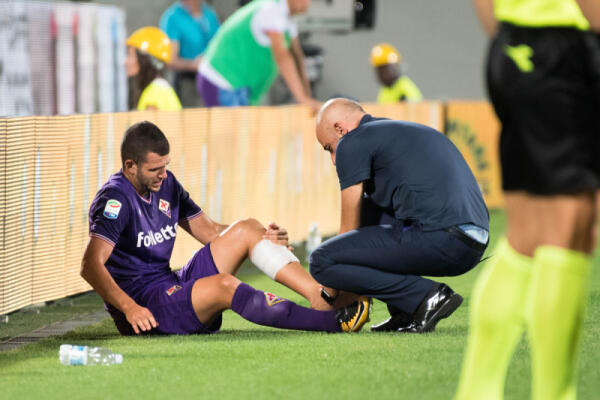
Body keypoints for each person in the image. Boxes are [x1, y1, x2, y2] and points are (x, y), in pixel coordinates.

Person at [81, 121, 370, 336]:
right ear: (130, 165)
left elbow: (210, 231)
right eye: (155, 169)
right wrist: (129, 308)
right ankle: (332, 322)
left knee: (248, 228)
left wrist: (264, 238)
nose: (163, 175)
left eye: (165, 166)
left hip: (170, 282)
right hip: (145, 306)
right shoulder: (115, 200)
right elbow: (91, 266)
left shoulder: (166, 184)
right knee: (225, 286)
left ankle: (322, 298)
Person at [455, 1, 600, 399]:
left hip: (519, 48)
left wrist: (509, 41)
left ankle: (476, 391)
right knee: (567, 233)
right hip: (561, 52)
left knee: (529, 239)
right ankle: (554, 393)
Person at [310, 98, 489, 333]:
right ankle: (405, 312)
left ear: (340, 129)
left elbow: (348, 230)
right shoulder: (400, 132)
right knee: (371, 212)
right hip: (474, 242)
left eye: (329, 148)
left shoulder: (352, 142)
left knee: (322, 260)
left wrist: (329, 292)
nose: (334, 159)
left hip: (441, 237)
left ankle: (427, 296)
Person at [197, 0, 320, 112]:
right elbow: (282, 57)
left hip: (240, 87)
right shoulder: (271, 9)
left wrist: (308, 98)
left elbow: (297, 57)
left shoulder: (288, 18)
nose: (309, 2)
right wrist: (302, 99)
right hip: (222, 80)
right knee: (231, 129)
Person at [159, 0, 220, 107]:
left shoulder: (210, 14)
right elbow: (170, 60)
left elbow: (218, 44)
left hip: (212, 77)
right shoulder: (173, 17)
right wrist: (194, 64)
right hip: (187, 81)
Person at [125, 27, 182, 111]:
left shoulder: (155, 93)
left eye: (131, 55)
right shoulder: (158, 88)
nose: (126, 62)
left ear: (145, 60)